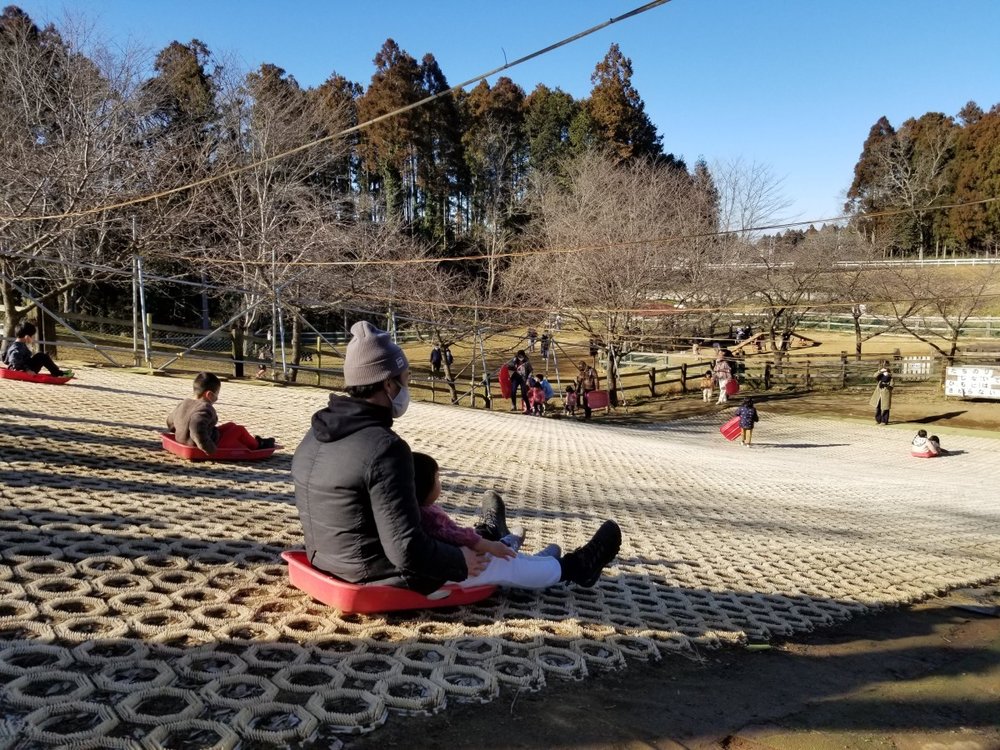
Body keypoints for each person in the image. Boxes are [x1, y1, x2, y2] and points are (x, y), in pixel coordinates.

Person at [290, 321, 622, 594]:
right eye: (405, 380)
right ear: (388, 385)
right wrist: (459, 561)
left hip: (329, 562)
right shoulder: (384, 448)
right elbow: (406, 549)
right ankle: (575, 568)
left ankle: (488, 535)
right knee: (502, 565)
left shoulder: (316, 433)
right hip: (378, 577)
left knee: (463, 541)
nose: (407, 387)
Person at [167, 371, 275, 454]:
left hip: (184, 440)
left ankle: (253, 441)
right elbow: (196, 427)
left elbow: (170, 422)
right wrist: (208, 447)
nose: (217, 397)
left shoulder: (184, 403)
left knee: (231, 425)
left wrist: (180, 431)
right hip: (202, 445)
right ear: (209, 395)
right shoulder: (205, 408)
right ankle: (257, 445)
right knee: (239, 430)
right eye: (217, 394)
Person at [3, 321, 71, 377]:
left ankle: (57, 372)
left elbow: (5, 358)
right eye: (32, 336)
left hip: (26, 366)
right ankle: (58, 373)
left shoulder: (17, 344)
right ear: (26, 336)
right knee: (41, 356)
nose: (32, 338)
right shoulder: (16, 348)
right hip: (22, 369)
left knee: (41, 355)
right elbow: (15, 363)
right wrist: (28, 370)